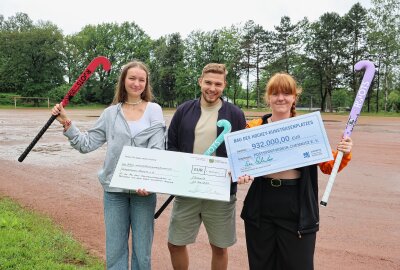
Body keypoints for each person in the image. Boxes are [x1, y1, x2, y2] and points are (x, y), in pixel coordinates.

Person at [51, 61, 165, 270]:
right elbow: (86, 144)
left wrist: (147, 180)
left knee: (143, 252)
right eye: (132, 78)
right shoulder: (110, 113)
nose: (136, 83)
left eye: (141, 79)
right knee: (115, 251)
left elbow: (158, 150)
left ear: (146, 83)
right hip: (114, 191)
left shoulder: (154, 110)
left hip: (144, 191)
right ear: (123, 81)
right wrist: (67, 122)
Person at [237, 72, 353, 270]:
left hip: (296, 204)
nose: (280, 98)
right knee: (261, 264)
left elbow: (328, 166)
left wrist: (344, 153)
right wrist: (241, 174)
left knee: (298, 265)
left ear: (294, 98)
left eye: (286, 93)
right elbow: (241, 164)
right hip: (262, 203)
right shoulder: (253, 127)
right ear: (268, 98)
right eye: (275, 93)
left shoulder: (308, 129)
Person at [167, 63, 246, 270]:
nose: (212, 88)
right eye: (208, 82)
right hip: (188, 188)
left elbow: (241, 152)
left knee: (219, 247)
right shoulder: (184, 110)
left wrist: (234, 169)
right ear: (200, 81)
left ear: (224, 85)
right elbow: (172, 146)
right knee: (175, 243)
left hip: (220, 191)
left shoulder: (235, 114)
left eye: (218, 84)